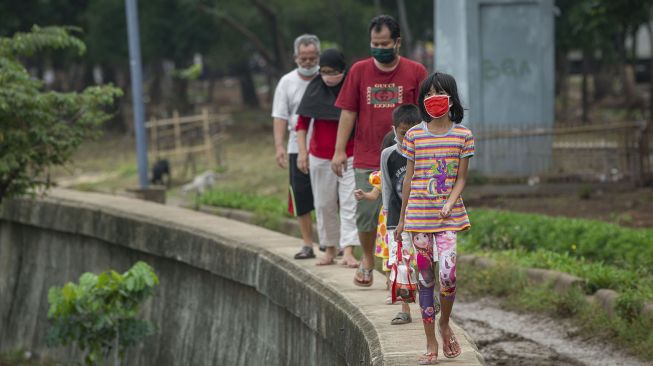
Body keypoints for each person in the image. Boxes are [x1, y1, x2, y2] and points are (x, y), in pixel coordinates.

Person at [331, 15, 427, 287]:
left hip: (405, 157)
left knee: (400, 213)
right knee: (366, 212)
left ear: (397, 42)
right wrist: (340, 150)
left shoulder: (416, 71)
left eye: (385, 43)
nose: (380, 47)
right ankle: (368, 261)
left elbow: (425, 114)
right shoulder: (359, 71)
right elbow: (348, 111)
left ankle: (397, 268)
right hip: (367, 154)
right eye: (375, 43)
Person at [395, 72, 475, 364]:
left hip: (448, 218)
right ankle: (430, 342)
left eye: (439, 93)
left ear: (451, 97)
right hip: (418, 217)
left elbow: (461, 179)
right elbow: (408, 179)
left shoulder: (463, 135)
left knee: (448, 276)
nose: (433, 98)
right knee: (426, 279)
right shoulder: (414, 135)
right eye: (428, 94)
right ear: (422, 100)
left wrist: (450, 203)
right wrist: (402, 219)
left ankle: (444, 323)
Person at [355, 104, 424, 326]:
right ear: (395, 130)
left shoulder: (426, 152)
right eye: (404, 133)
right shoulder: (388, 155)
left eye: (413, 132)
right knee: (400, 262)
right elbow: (386, 186)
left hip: (423, 216)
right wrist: (388, 216)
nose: (408, 138)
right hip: (396, 217)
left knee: (424, 261)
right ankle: (404, 310)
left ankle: (428, 300)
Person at [295, 49, 359, 267]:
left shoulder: (352, 89)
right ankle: (330, 248)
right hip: (319, 156)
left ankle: (348, 250)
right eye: (323, 71)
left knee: (350, 202)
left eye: (333, 71)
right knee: (324, 204)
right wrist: (302, 153)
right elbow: (301, 124)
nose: (328, 75)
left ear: (343, 71)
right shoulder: (313, 90)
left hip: (350, 154)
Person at [272, 34, 320, 259]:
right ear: (295, 57)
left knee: (330, 197)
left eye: (312, 58)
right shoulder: (287, 82)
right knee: (301, 196)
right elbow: (280, 116)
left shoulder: (325, 78)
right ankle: (308, 243)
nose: (308, 62)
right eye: (304, 58)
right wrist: (279, 146)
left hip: (325, 147)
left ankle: (335, 243)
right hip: (295, 147)